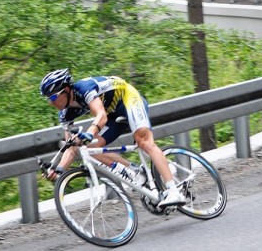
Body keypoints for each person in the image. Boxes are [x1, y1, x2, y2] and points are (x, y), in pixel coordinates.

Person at [40, 68, 186, 207]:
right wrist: (58, 170)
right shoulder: (65, 114)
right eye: (48, 99)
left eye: (53, 97)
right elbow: (71, 146)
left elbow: (101, 116)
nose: (51, 102)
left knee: (144, 142)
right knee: (91, 149)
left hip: (128, 98)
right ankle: (135, 171)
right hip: (112, 112)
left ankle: (173, 191)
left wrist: (90, 133)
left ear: (66, 90)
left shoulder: (84, 88)